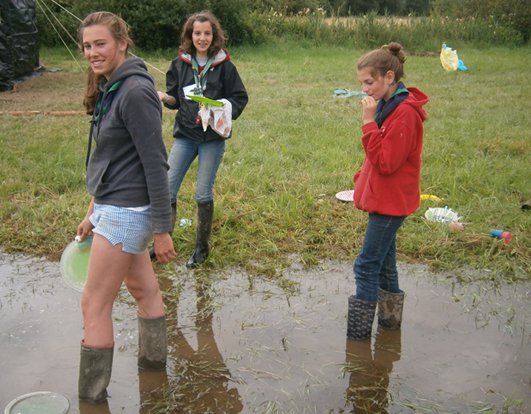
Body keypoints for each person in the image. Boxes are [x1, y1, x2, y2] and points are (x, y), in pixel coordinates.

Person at [76, 11, 176, 403]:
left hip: (126, 214)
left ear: (121, 43)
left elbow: (156, 163)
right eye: (87, 45)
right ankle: (155, 373)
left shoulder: (134, 92)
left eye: (100, 44)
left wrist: (163, 229)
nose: (92, 52)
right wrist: (90, 212)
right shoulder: (111, 86)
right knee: (143, 290)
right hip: (113, 207)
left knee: (93, 303)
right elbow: (112, 158)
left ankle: (91, 399)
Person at [347, 42, 428, 341]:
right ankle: (389, 331)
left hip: (392, 203)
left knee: (366, 266)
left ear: (389, 77)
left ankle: (357, 342)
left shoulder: (404, 113)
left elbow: (386, 162)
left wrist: (368, 124)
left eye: (369, 82)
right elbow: (376, 159)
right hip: (384, 198)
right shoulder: (388, 105)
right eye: (362, 84)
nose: (365, 89)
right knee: (386, 266)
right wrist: (361, 180)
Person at [157, 10, 248, 268]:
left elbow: (240, 98)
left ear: (214, 35)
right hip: (185, 135)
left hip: (212, 138)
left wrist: (221, 107)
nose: (202, 38)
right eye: (197, 33)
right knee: (167, 188)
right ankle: (164, 243)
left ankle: (201, 248)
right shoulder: (179, 65)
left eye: (207, 33)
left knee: (201, 193)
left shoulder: (225, 66)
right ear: (190, 35)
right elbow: (175, 100)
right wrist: (166, 97)